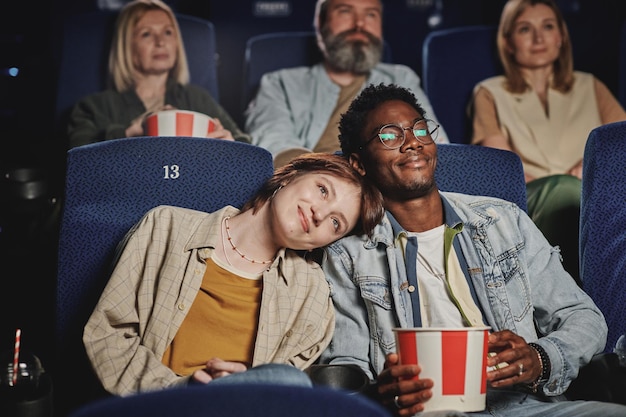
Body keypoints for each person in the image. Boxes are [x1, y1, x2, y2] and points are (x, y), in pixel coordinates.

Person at [319, 83, 626, 416]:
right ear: (359, 163)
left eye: (420, 129)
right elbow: (347, 363)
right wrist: (380, 392)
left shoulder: (503, 220)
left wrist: (541, 358)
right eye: (389, 136)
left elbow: (584, 318)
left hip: (523, 406)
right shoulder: (348, 253)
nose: (412, 142)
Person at [83, 152, 383, 396]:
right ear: (291, 175)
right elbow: (108, 335)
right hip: (152, 406)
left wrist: (244, 387)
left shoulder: (312, 294)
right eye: (322, 190)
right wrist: (180, 389)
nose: (320, 214)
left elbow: (284, 395)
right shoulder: (166, 227)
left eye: (335, 223)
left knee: (290, 383)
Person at [469, 0, 626, 285]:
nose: (539, 38)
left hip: (593, 196)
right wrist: (571, 180)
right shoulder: (488, 92)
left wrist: (591, 171)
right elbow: (501, 170)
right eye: (525, 29)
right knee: (565, 190)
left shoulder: (591, 85)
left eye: (548, 26)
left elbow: (620, 146)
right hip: (529, 198)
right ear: (508, 42)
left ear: (561, 37)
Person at [244, 0, 448, 168]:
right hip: (315, 189)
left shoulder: (402, 78)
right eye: (345, 11)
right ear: (320, 23)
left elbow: (433, 144)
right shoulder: (279, 83)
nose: (360, 24)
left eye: (371, 14)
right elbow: (274, 146)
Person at [67, 0, 250, 148]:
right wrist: (130, 133)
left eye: (168, 32)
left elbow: (247, 148)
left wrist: (230, 148)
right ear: (126, 46)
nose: (160, 42)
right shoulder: (93, 107)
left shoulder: (197, 98)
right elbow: (77, 163)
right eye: (147, 34)